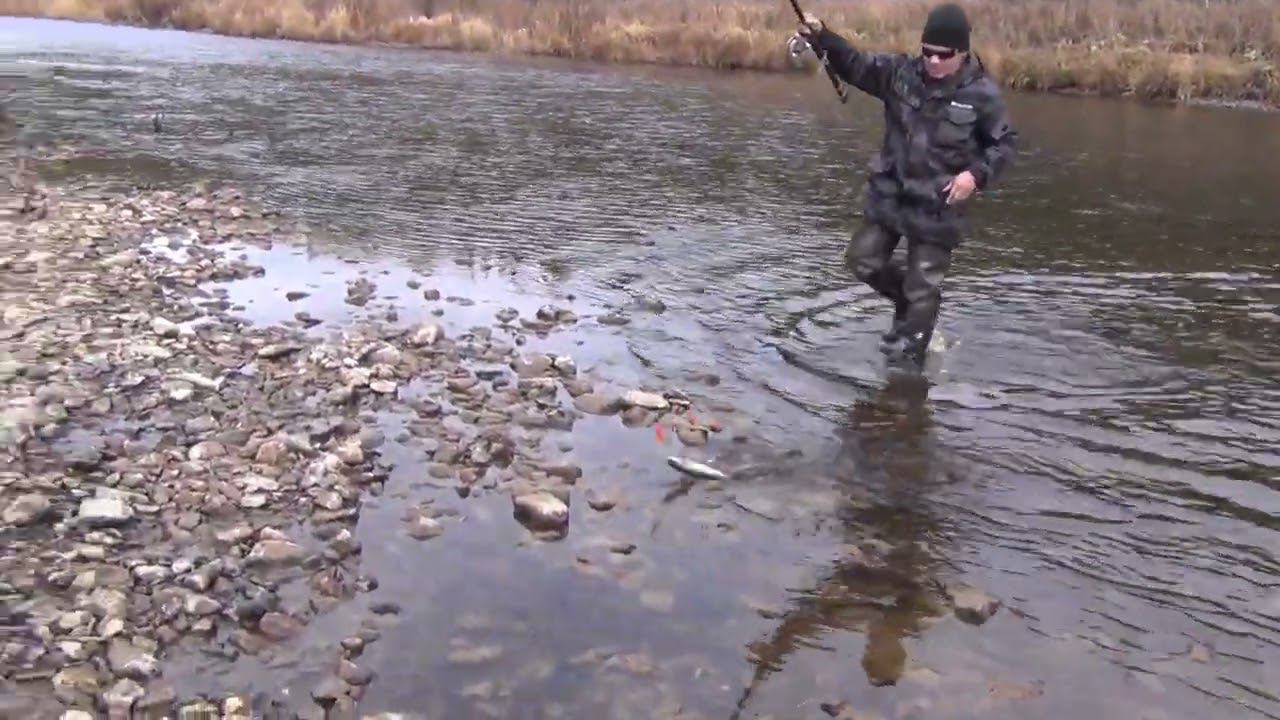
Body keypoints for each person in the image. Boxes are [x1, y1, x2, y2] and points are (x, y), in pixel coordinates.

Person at [796, 3, 1018, 368]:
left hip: (939, 206)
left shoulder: (982, 94)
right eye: (927, 52)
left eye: (943, 55)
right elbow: (855, 64)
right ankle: (910, 304)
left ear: (962, 53)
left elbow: (1004, 144)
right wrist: (823, 36)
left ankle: (909, 362)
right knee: (862, 261)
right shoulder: (899, 73)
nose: (933, 61)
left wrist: (974, 176)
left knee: (921, 293)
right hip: (891, 195)